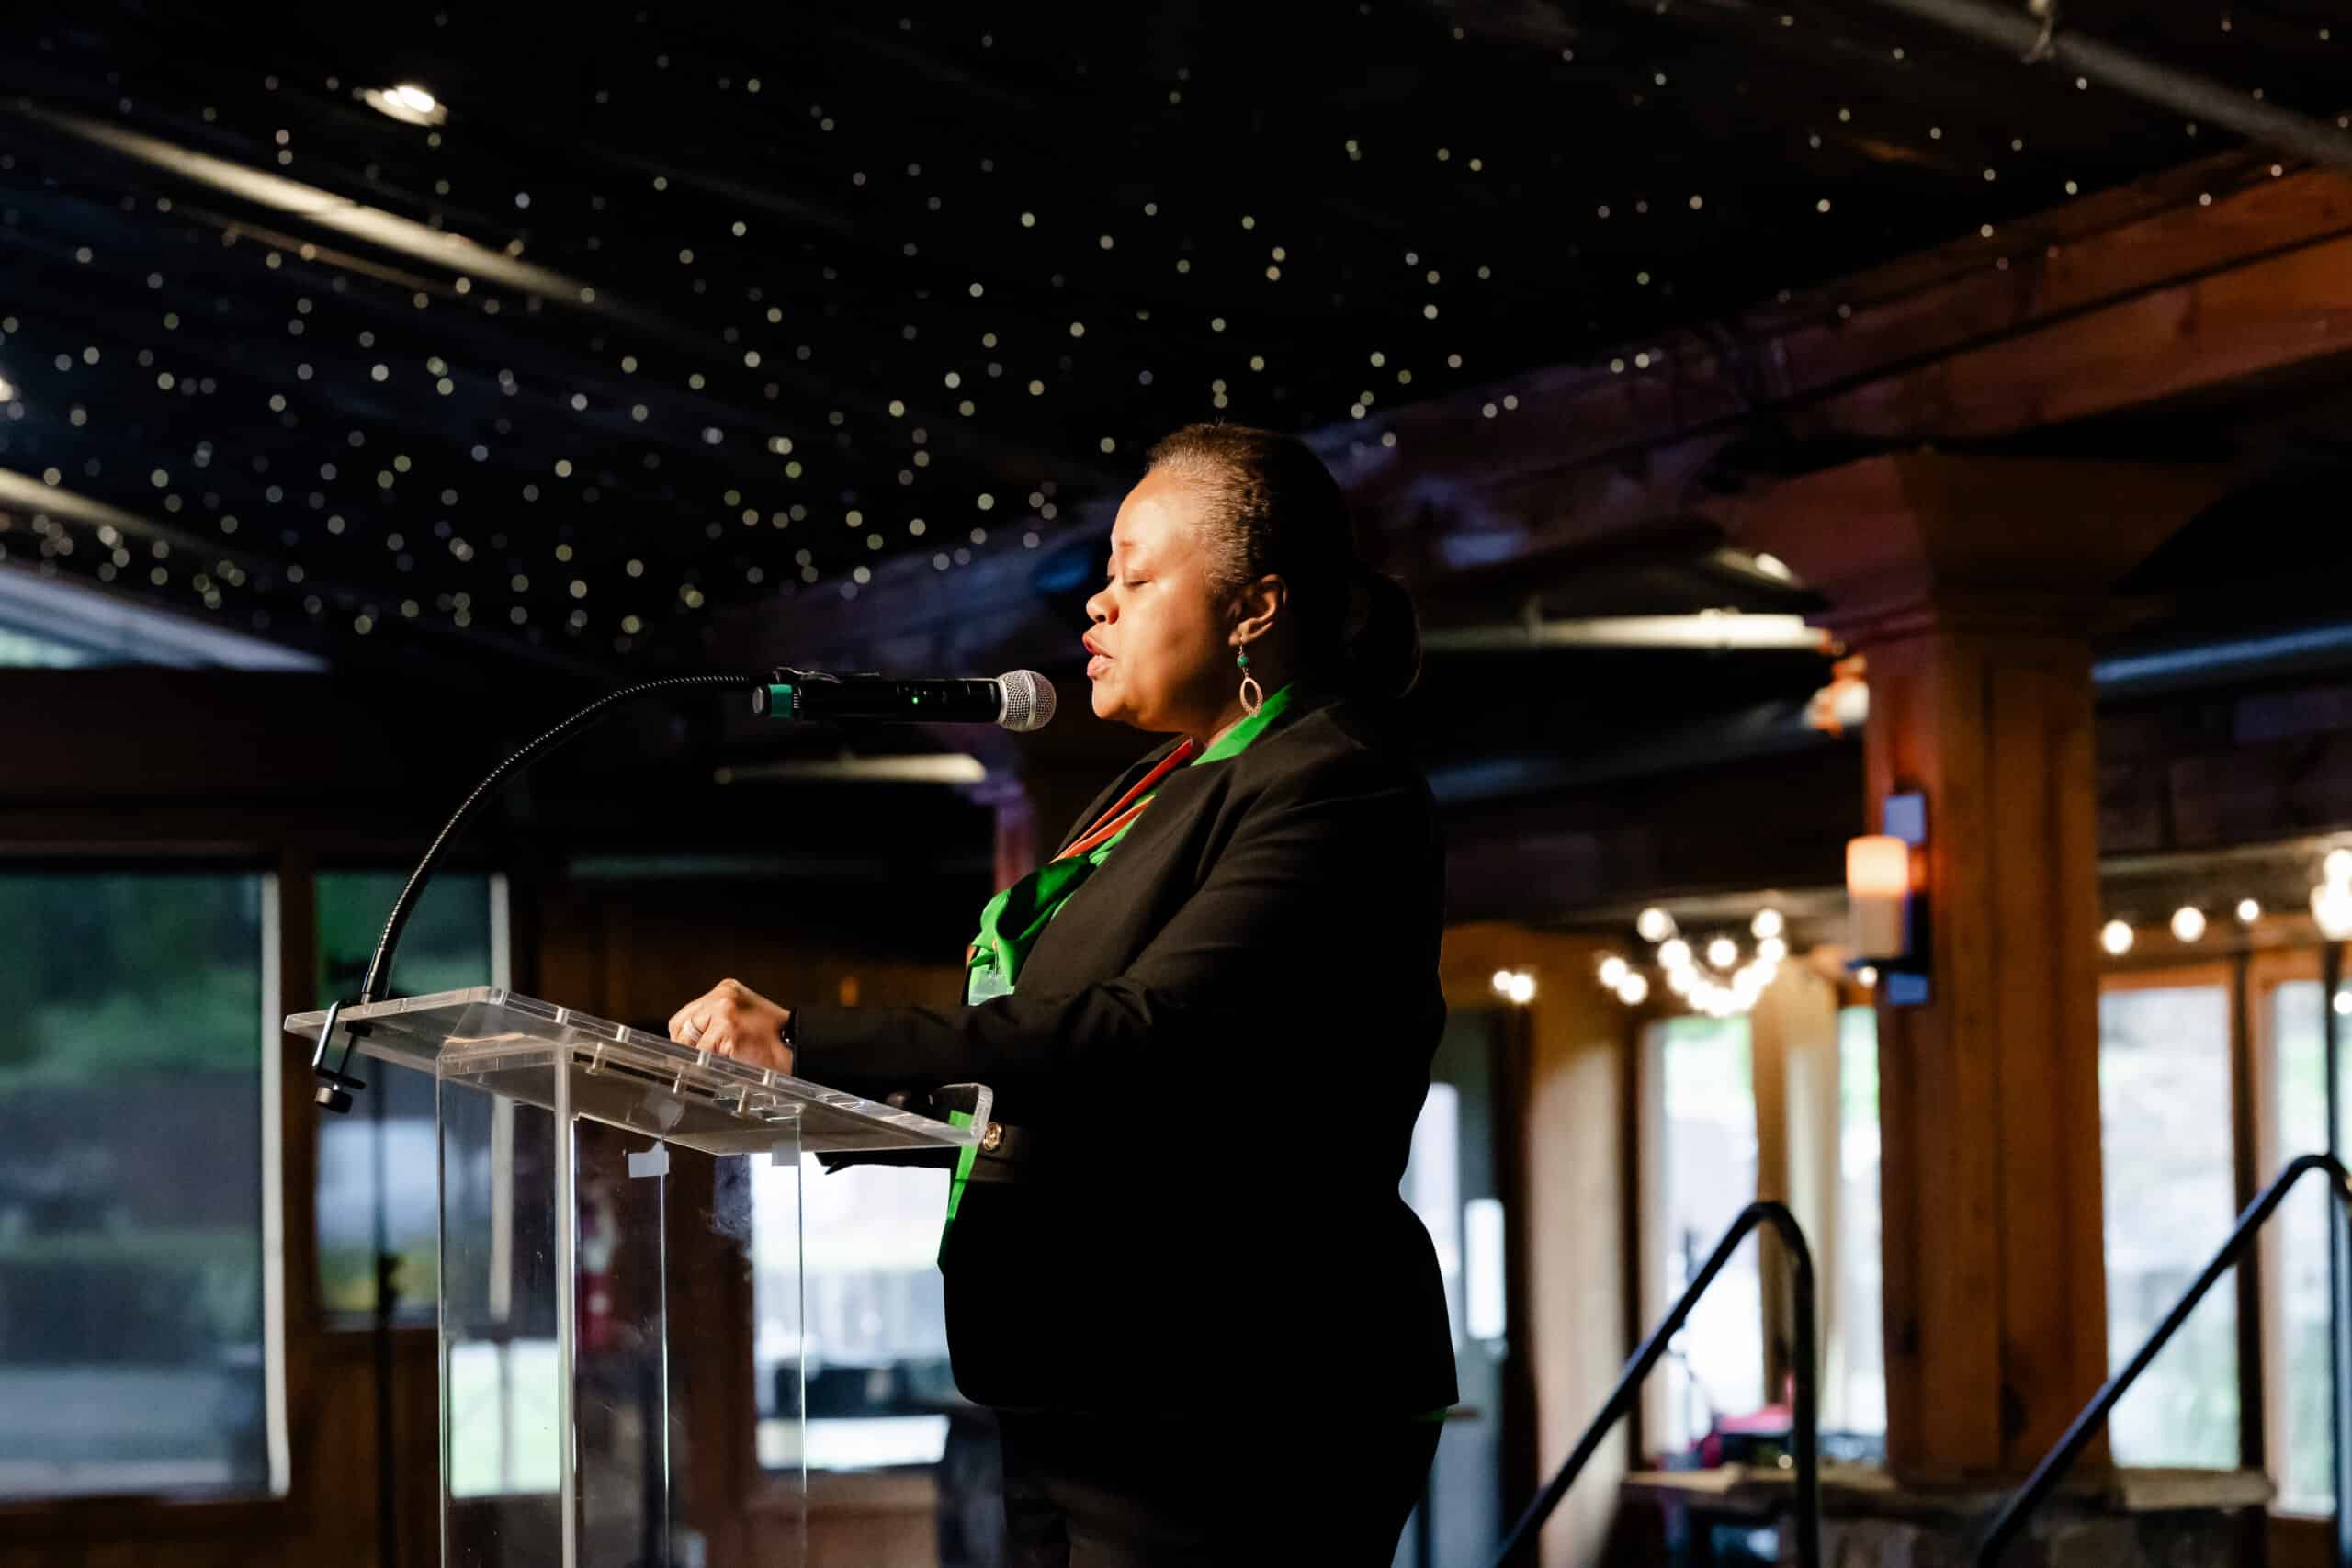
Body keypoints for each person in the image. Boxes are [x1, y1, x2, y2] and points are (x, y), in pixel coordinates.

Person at [668, 423, 1456, 1565]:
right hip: (1076, 1385)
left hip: (1236, 1393)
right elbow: (1065, 1097)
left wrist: (812, 1040)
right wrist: (811, 1108)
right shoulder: (1171, 792)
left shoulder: (1334, 788)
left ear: (1254, 608)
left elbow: (1153, 1039)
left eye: (1136, 577)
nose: (1096, 604)